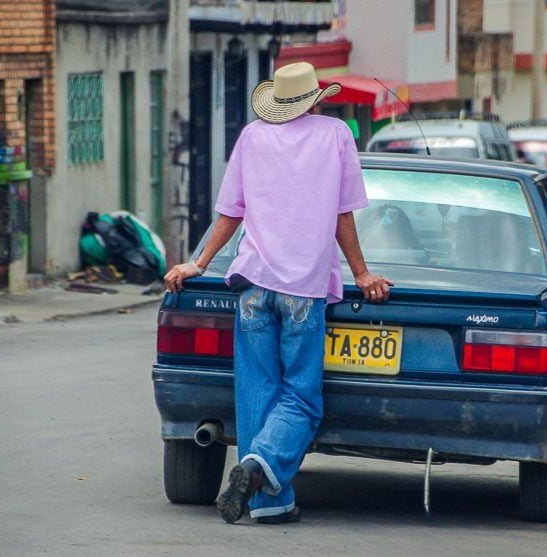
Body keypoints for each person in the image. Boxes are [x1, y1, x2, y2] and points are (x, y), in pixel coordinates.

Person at [162, 61, 393, 525]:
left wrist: (200, 262)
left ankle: (270, 504)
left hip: (253, 286)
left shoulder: (252, 136)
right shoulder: (335, 136)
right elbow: (343, 215)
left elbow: (230, 211)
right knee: (302, 401)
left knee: (256, 395)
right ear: (316, 98)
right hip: (302, 290)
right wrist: (362, 273)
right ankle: (256, 467)